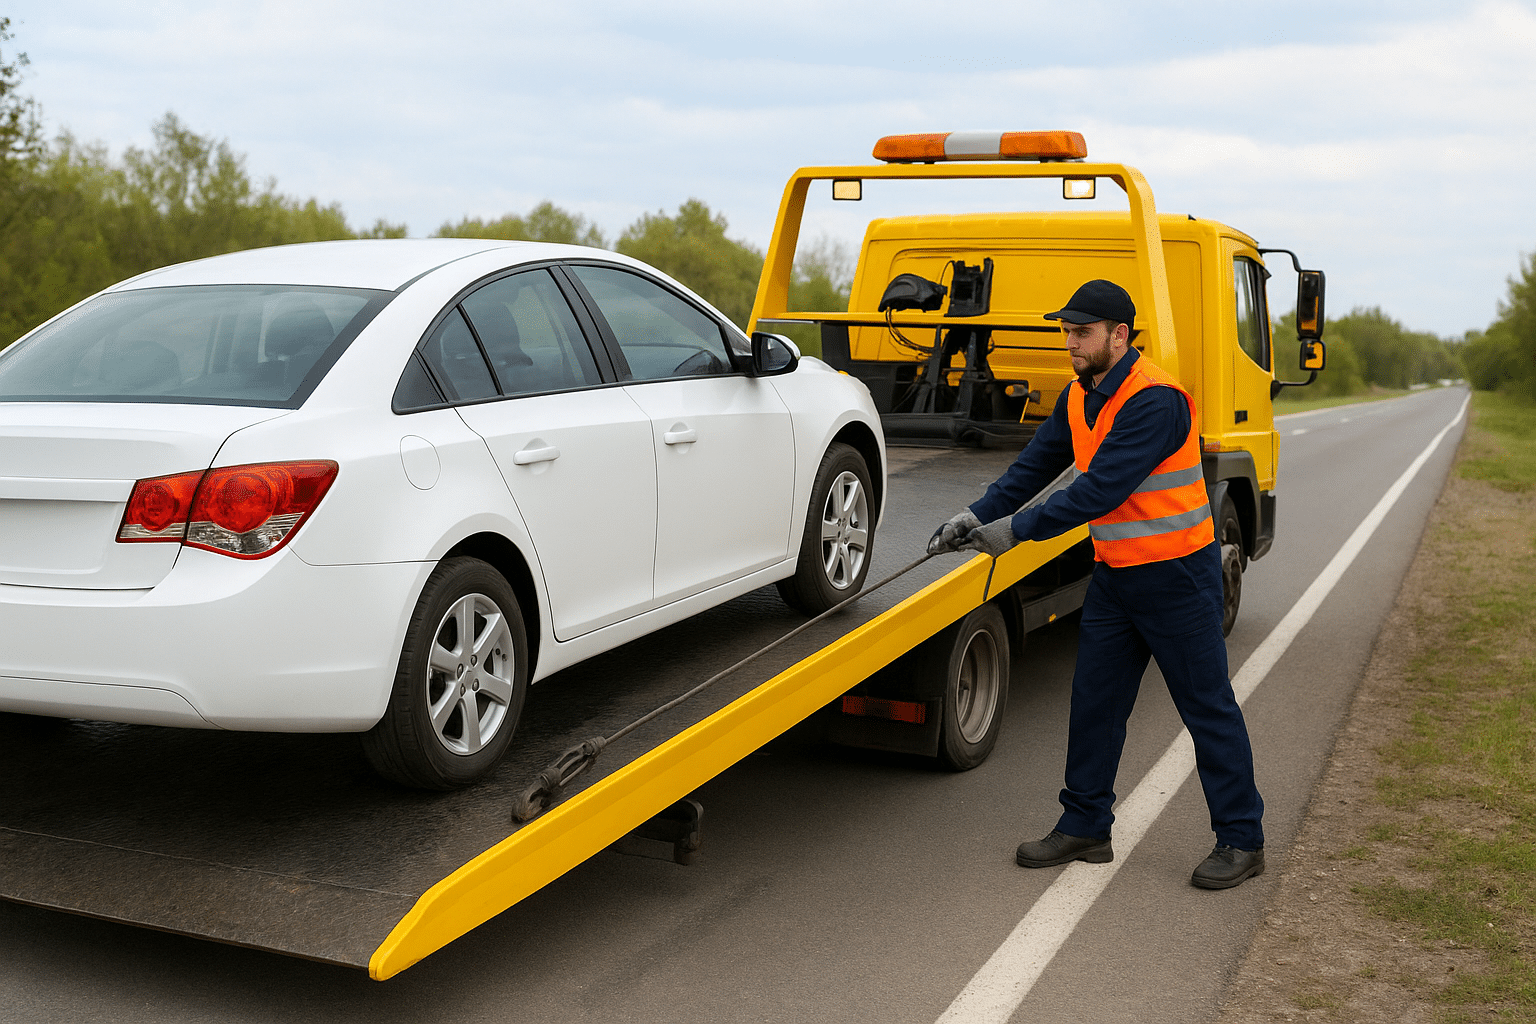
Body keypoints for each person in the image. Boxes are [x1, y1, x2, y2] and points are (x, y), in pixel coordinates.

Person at [929, 279, 1265, 890]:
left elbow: (1098, 490)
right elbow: (1036, 463)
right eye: (1066, 331)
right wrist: (977, 514)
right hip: (1116, 576)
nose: (1070, 343)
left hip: (1177, 580)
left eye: (1082, 333)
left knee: (1207, 709)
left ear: (1120, 335)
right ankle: (1085, 824)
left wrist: (1017, 532)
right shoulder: (1080, 395)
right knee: (1094, 705)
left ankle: (1242, 837)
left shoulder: (1156, 402)